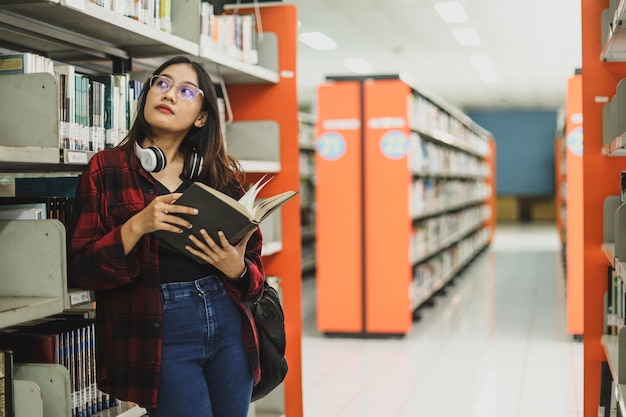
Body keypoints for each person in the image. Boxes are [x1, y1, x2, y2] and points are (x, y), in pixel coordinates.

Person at [68, 55, 264, 417]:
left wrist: (236, 268)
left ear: (202, 116)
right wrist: (137, 225)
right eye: (162, 83)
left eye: (186, 90)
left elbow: (255, 278)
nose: (170, 94)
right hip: (159, 330)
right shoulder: (107, 169)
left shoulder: (220, 177)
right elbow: (82, 270)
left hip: (228, 323)